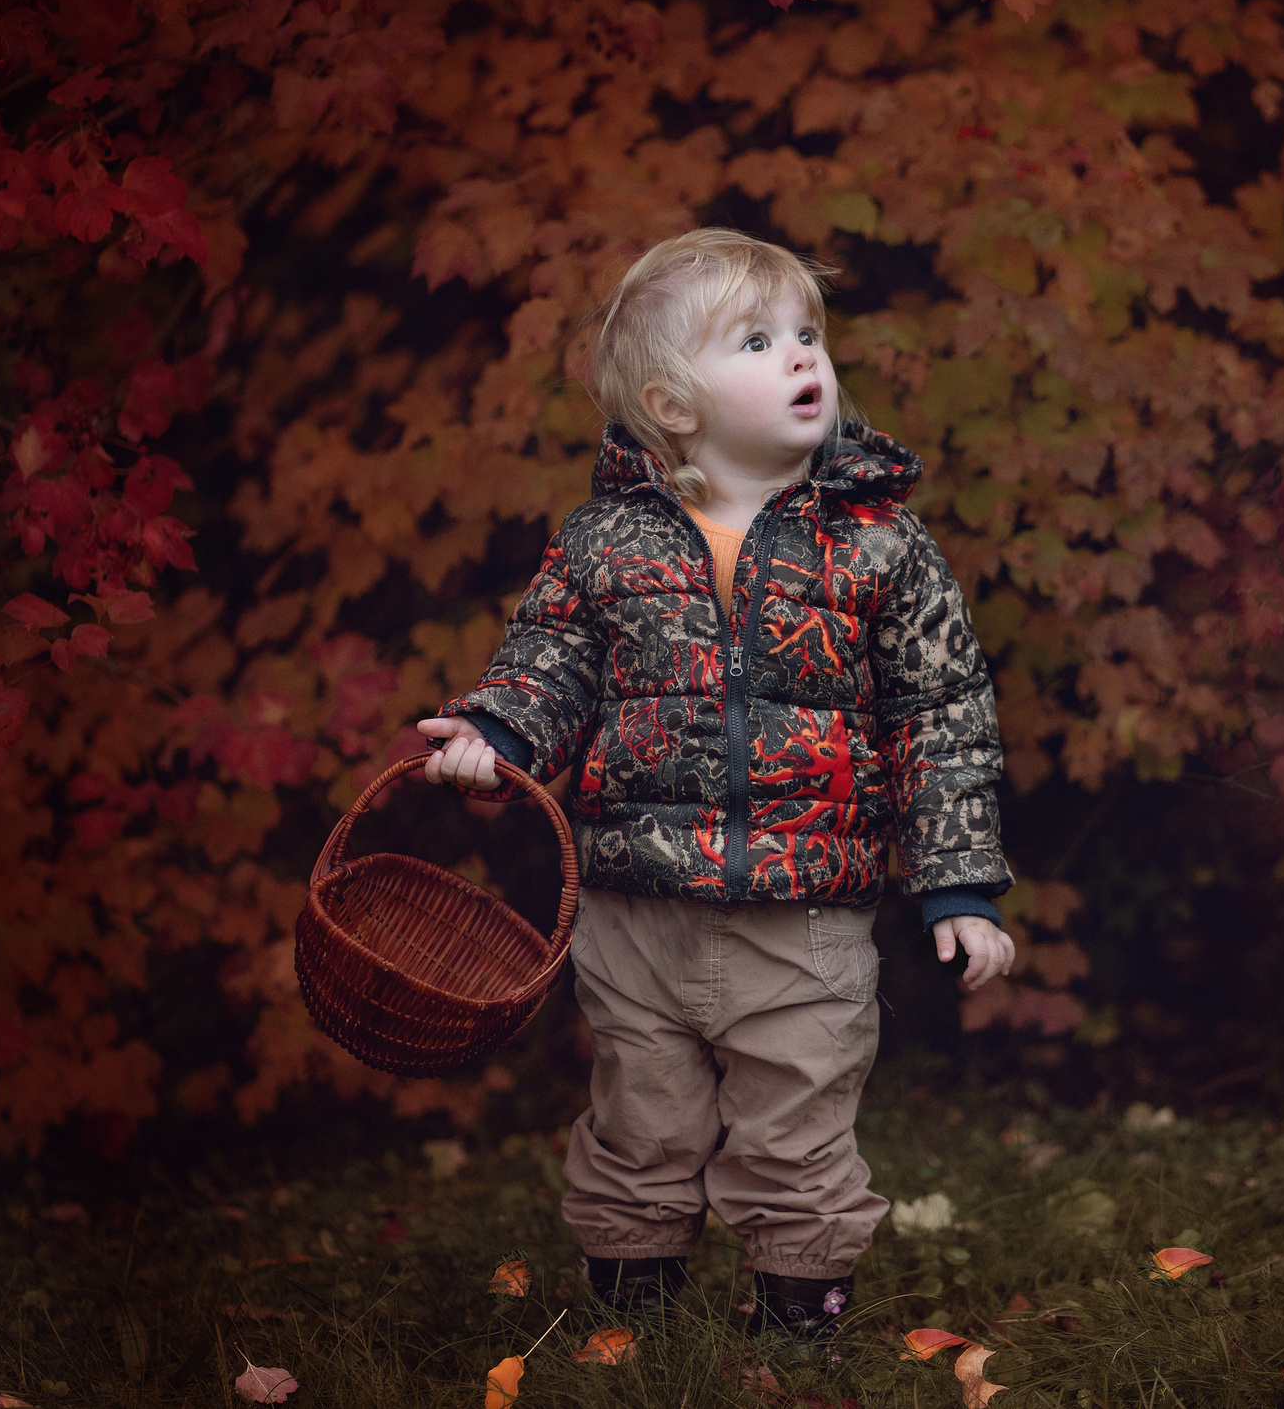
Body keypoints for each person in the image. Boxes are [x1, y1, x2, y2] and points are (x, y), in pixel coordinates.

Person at [417, 227, 1017, 1342]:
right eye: (757, 340)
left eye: (808, 333)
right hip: (636, 909)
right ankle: (632, 1321)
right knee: (640, 1121)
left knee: (797, 1126)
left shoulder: (878, 545)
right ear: (672, 404)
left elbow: (943, 715)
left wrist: (959, 883)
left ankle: (800, 1323)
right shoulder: (606, 541)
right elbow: (550, 661)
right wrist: (493, 733)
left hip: (806, 915)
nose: (802, 355)